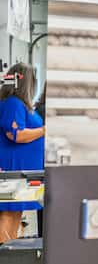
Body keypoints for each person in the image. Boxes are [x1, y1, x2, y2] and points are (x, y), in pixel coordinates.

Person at [0, 63, 44, 242]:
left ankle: (11, 257)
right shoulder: (13, 103)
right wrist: (43, 130)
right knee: (7, 216)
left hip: (21, 172)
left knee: (15, 214)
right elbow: (15, 134)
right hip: (12, 170)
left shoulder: (18, 104)